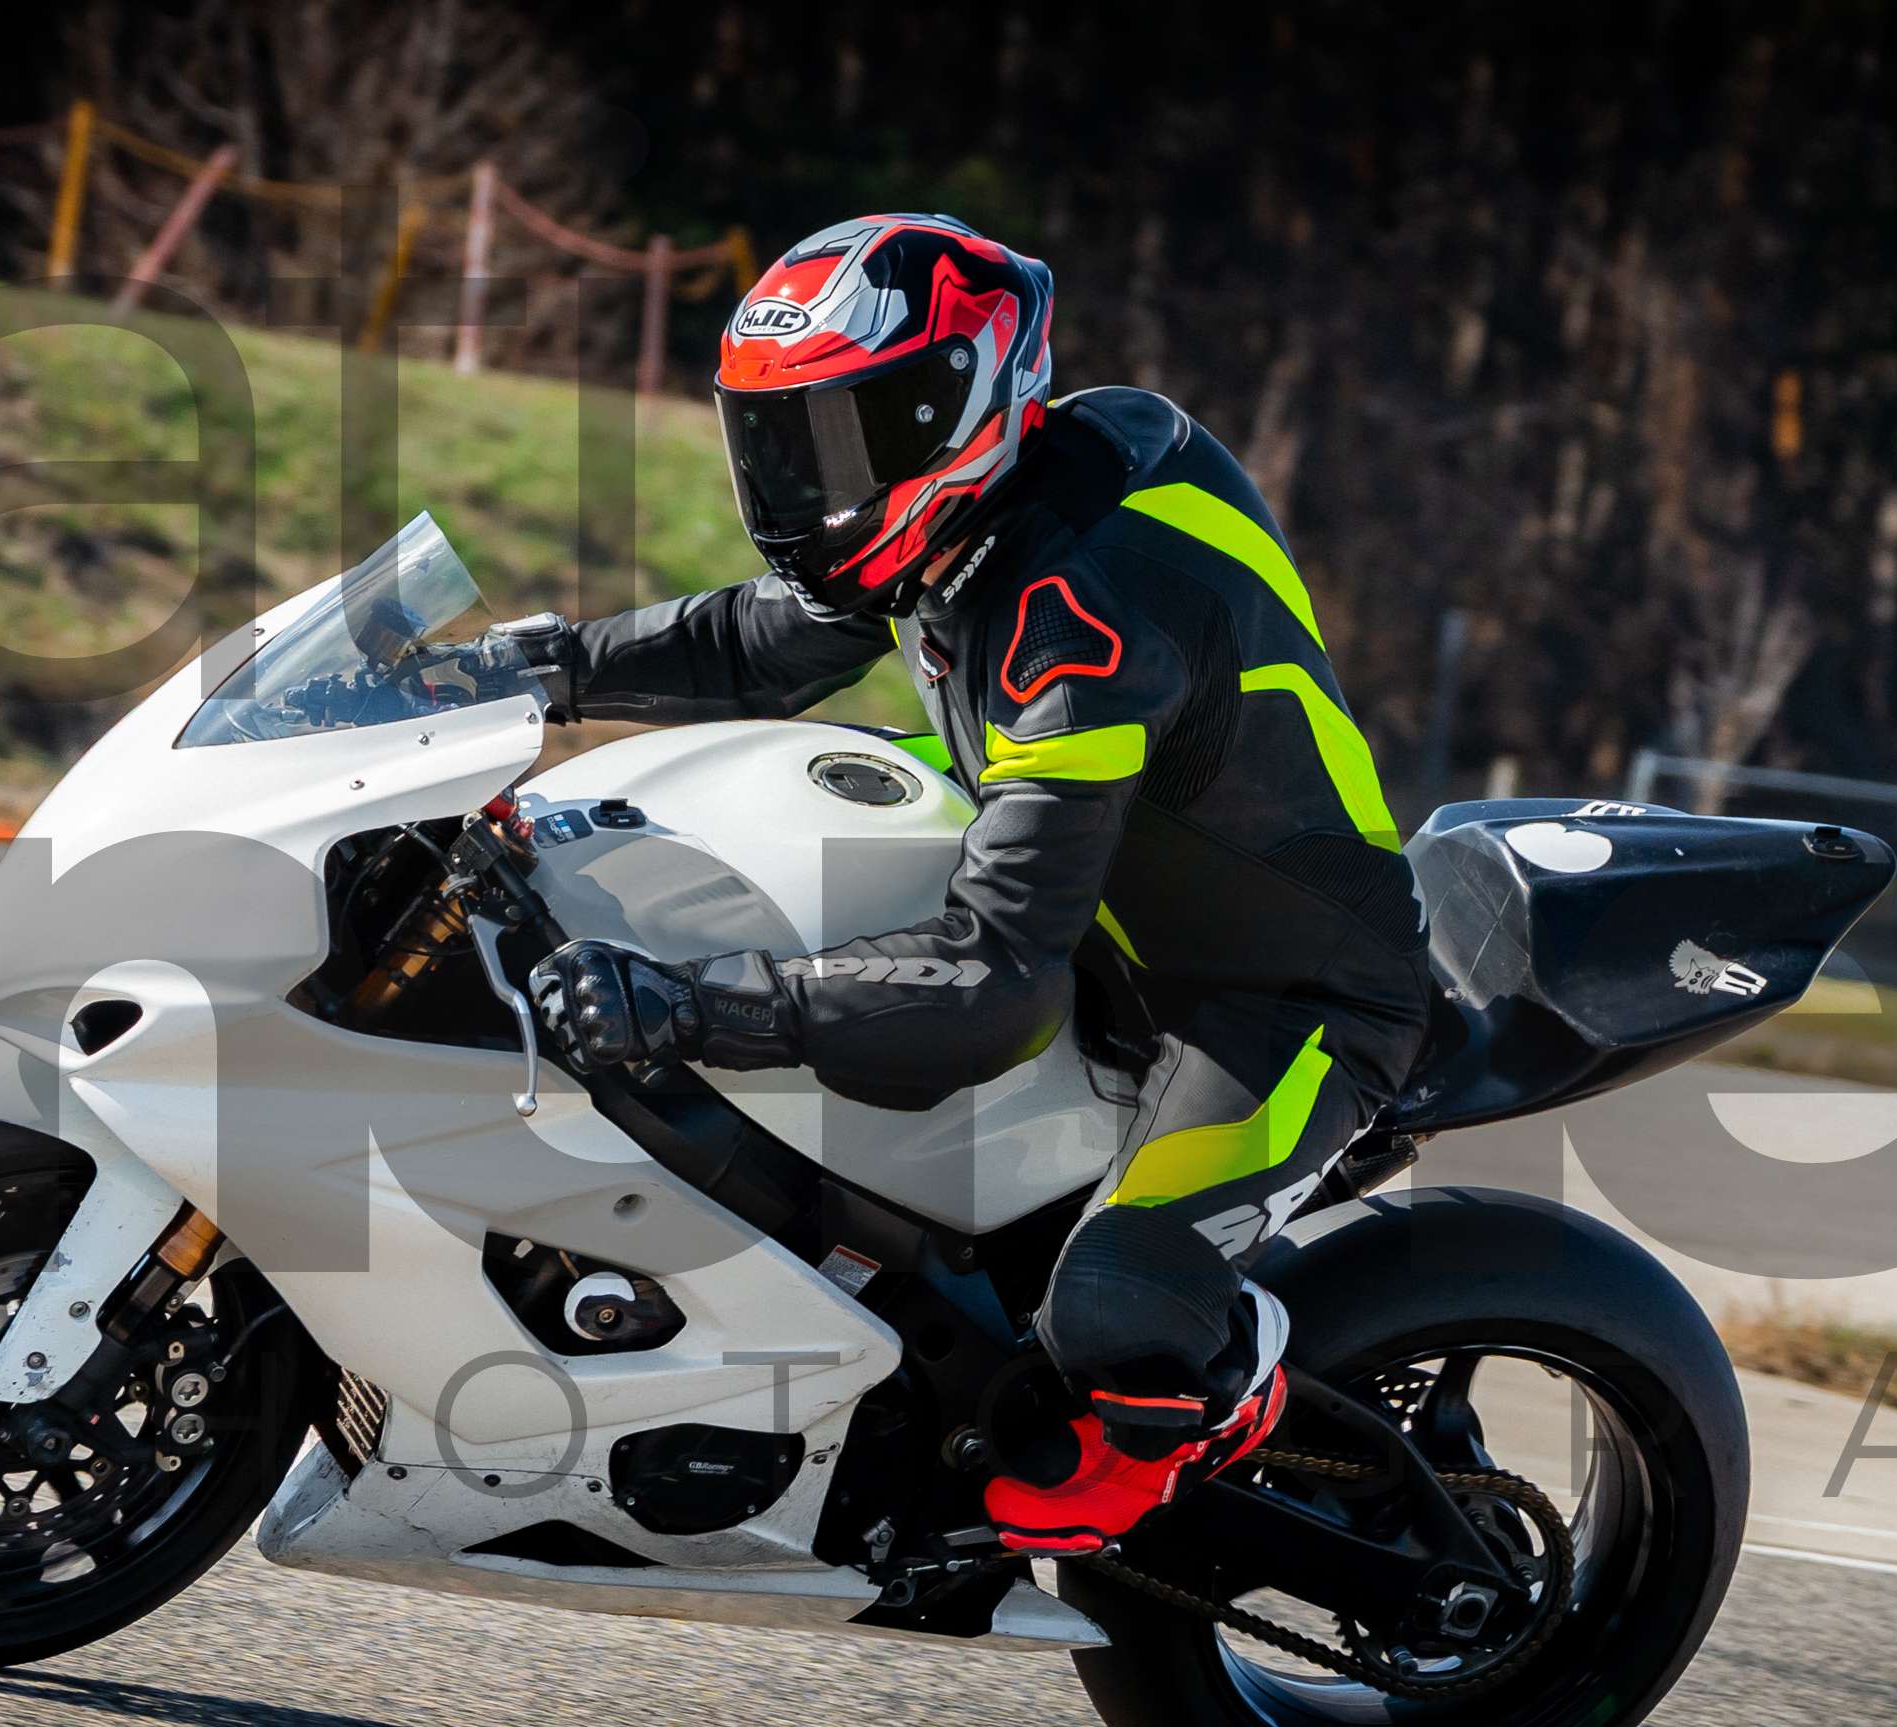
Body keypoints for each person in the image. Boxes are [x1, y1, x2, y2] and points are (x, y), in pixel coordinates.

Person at [503, 214, 1428, 1552]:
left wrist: (692, 1006)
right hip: (1107, 918)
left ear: (957, 411)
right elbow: (770, 640)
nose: (805, 482)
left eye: (845, 437)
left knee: (1113, 1313)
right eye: (783, 440)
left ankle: (1225, 1390)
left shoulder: (1081, 618)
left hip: (1276, 1000)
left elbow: (992, 983)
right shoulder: (977, 510)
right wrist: (534, 670)